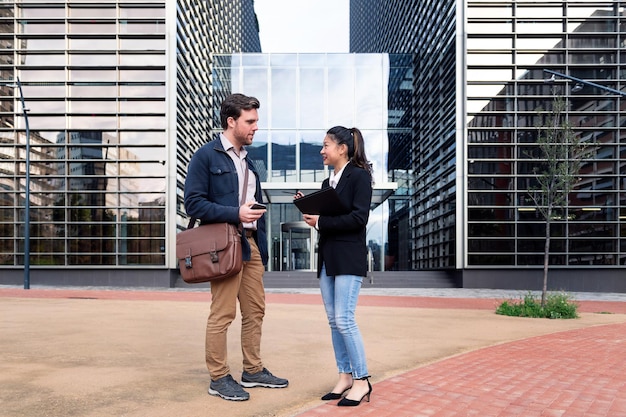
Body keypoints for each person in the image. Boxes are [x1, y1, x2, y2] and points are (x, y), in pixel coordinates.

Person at [184, 93, 288, 402]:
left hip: (250, 244)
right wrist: (235, 213)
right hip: (223, 244)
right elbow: (193, 203)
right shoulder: (207, 156)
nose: (256, 127)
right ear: (232, 122)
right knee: (223, 313)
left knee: (255, 310)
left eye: (256, 121)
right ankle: (218, 377)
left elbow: (252, 206)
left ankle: (253, 370)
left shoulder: (249, 162)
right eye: (250, 121)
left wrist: (260, 246)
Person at [295, 126, 374, 407]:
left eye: (326, 145)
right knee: (333, 320)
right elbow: (328, 222)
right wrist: (312, 215)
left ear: (342, 148)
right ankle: (345, 376)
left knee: (345, 319)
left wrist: (322, 221)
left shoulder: (359, 177)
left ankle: (362, 380)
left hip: (349, 258)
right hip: (328, 258)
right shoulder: (328, 184)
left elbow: (358, 219)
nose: (322, 150)